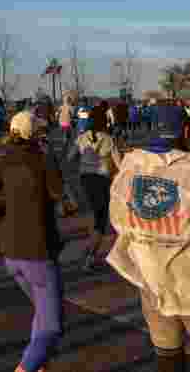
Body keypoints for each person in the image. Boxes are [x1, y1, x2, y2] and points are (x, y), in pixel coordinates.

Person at [106, 99, 190, 372]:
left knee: (168, 355)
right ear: (186, 132)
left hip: (151, 280)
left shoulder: (129, 168)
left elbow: (119, 222)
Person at [0, 110, 65, 372]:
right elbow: (63, 198)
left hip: (10, 251)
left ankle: (40, 365)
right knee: (52, 326)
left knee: (41, 312)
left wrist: (9, 207)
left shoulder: (4, 160)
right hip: (37, 251)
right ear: (34, 134)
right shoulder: (42, 160)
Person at [67, 104, 122, 272]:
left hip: (85, 178)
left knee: (94, 214)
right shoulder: (108, 139)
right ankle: (90, 256)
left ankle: (90, 247)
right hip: (102, 180)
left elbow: (70, 157)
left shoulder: (82, 138)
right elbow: (119, 163)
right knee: (101, 219)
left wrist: (84, 161)